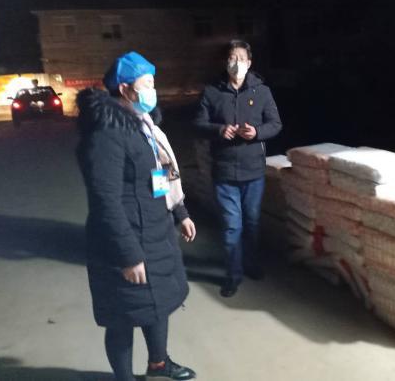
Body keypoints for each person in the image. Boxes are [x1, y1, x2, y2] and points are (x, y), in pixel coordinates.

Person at [76, 51, 197, 381]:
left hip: (155, 232)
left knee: (157, 305)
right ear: (126, 89)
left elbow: (161, 173)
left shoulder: (143, 125)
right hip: (124, 239)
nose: (152, 90)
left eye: (153, 83)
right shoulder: (107, 132)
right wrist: (128, 255)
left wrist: (180, 211)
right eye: (147, 84)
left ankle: (159, 364)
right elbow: (105, 200)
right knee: (123, 316)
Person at [194, 39, 282, 298]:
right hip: (224, 172)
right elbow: (198, 124)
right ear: (226, 62)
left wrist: (257, 132)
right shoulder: (212, 92)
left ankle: (251, 264)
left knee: (251, 223)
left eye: (241, 59)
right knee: (232, 226)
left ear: (249, 63)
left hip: (253, 171)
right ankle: (233, 275)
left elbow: (275, 123)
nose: (236, 64)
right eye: (232, 59)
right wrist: (219, 130)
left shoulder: (261, 91)